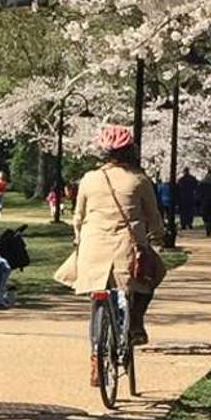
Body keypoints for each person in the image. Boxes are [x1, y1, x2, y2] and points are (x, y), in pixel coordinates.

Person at [57, 126, 165, 377]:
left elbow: (79, 216)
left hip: (92, 249)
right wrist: (158, 236)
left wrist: (78, 238)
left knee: (98, 294)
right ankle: (136, 322)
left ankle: (96, 356)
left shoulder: (89, 179)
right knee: (153, 275)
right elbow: (153, 217)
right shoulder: (139, 180)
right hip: (128, 250)